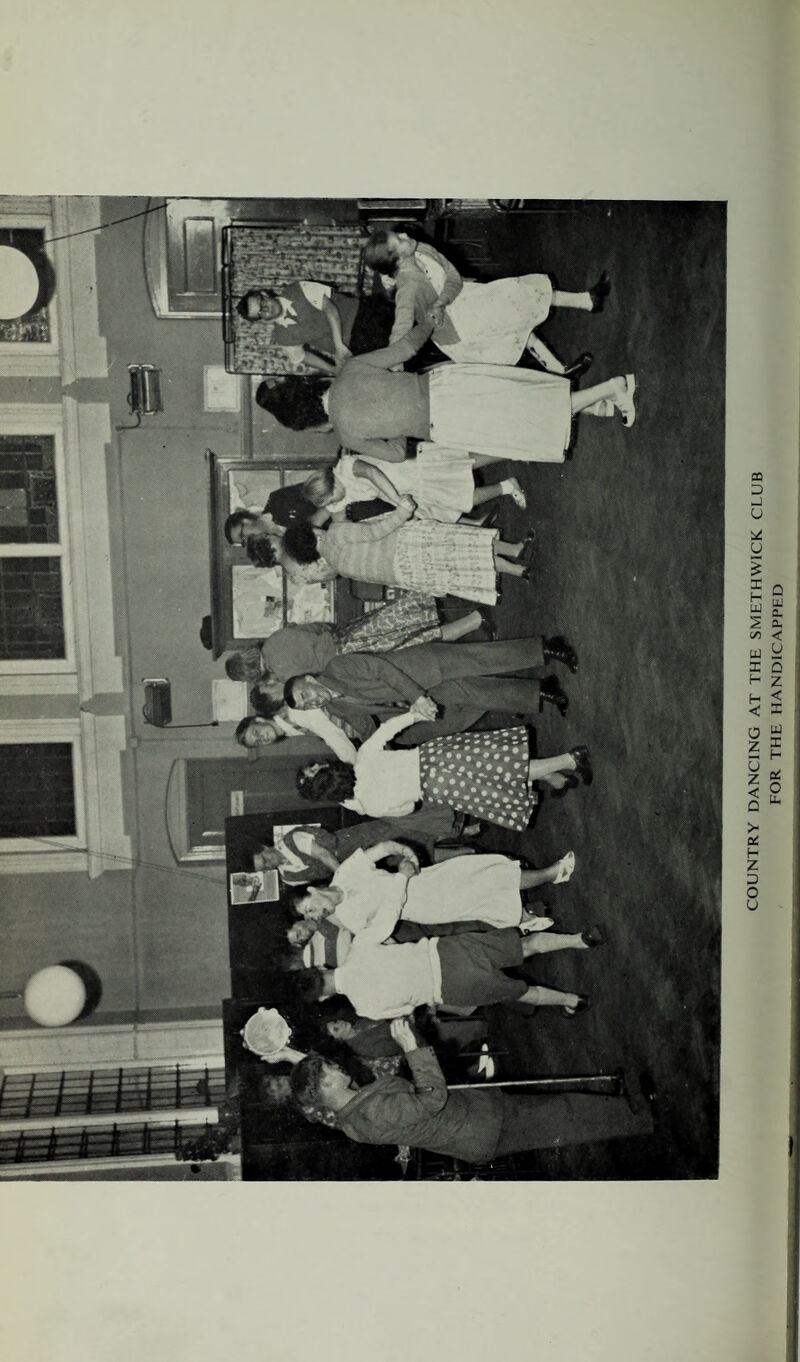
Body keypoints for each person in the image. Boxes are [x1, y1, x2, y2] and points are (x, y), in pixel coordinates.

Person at [254, 320, 637, 463]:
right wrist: (428, 323)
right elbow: (405, 349)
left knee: (525, 419)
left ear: (306, 421)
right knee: (522, 400)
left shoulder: (347, 434)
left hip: (444, 422)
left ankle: (612, 387)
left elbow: (397, 453)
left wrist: (397, 422)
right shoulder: (350, 371)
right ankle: (603, 404)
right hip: (444, 383)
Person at [290, 1020, 655, 1164]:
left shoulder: (353, 1115)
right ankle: (640, 1115)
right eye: (330, 1070)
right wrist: (411, 1047)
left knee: (565, 1113)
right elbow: (432, 1098)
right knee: (568, 1116)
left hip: (477, 1124)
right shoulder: (369, 1114)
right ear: (326, 1085)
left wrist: (287, 1054)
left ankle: (632, 1110)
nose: (338, 1067)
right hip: (480, 1126)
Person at [296, 702, 593, 833]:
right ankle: (557, 779)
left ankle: (571, 760)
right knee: (503, 768)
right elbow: (387, 730)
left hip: (437, 786)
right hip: (434, 755)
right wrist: (414, 715)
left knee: (507, 772)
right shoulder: (363, 758)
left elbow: (408, 809)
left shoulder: (369, 805)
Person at [364, 223, 607, 374]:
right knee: (519, 325)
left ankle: (587, 301)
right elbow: (401, 327)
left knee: (522, 294)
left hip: (467, 300)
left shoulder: (421, 249)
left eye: (399, 234)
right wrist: (394, 364)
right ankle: (562, 372)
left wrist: (444, 298)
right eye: (400, 241)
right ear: (397, 260)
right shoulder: (408, 286)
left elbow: (452, 276)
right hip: (459, 327)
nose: (406, 234)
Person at [282, 631, 577, 745]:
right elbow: (365, 724)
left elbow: (382, 669)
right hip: (420, 696)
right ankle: (542, 692)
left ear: (309, 679)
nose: (312, 702)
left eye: (305, 695)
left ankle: (548, 650)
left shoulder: (337, 668)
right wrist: (375, 748)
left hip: (422, 667)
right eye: (307, 705)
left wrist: (417, 698)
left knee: (481, 659)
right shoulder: (335, 707)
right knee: (474, 693)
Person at [293, 915, 607, 1020]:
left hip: (449, 988)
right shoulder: (357, 951)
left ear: (323, 998)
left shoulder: (365, 1009)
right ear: (321, 968)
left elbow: (409, 1007)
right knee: (524, 947)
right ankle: (581, 939)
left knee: (522, 993)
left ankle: (572, 1001)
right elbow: (386, 931)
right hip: (446, 953)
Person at [276, 502, 536, 606]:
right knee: (467, 545)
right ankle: (515, 554)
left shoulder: (334, 565)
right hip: (407, 546)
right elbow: (375, 532)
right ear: (312, 533)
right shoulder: (335, 534)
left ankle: (518, 566)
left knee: (464, 561)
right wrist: (402, 511)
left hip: (406, 573)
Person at [292, 843, 576, 936]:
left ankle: (528, 916)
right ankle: (551, 877)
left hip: (424, 879)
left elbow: (383, 848)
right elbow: (385, 928)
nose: (316, 914)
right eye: (311, 916)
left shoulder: (345, 872)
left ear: (314, 890)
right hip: (424, 907)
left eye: (310, 908)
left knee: (486, 873)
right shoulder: (348, 920)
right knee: (484, 894)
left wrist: (407, 853)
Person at [223, 596, 486, 686]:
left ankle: (475, 620)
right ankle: (473, 617)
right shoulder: (275, 638)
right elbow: (317, 627)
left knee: (412, 644)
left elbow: (316, 675)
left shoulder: (281, 675)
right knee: (404, 623)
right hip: (344, 635)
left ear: (251, 675)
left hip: (349, 659)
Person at [302, 451, 527, 525]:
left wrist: (396, 498)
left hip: (410, 471)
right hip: (407, 492)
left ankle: (513, 451)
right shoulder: (338, 499)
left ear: (331, 486)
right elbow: (338, 520)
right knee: (460, 501)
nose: (333, 504)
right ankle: (508, 486)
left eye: (330, 499)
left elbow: (373, 473)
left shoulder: (346, 467)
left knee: (464, 464)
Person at [235, 281, 393, 368]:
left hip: (365, 314)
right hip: (357, 345)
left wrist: (338, 345)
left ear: (264, 294)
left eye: (262, 303)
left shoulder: (297, 288)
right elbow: (300, 357)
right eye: (260, 313)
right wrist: (333, 369)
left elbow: (329, 308)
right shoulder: (282, 337)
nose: (265, 310)